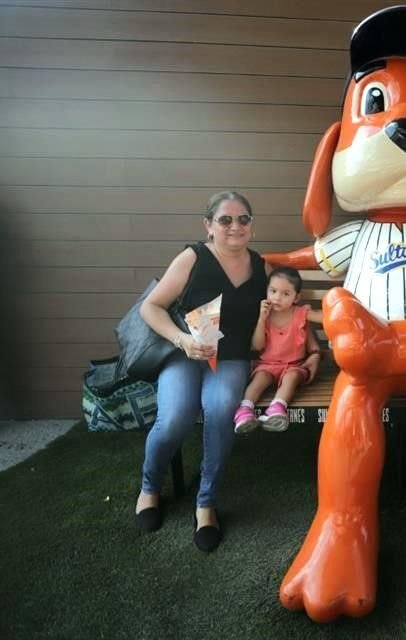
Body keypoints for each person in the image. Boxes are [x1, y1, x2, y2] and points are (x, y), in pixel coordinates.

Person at [134, 190, 268, 552]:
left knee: (222, 409)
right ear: (208, 225)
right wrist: (182, 340)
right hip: (186, 353)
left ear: (251, 227)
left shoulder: (261, 266)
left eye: (243, 219)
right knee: (176, 417)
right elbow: (152, 307)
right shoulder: (193, 257)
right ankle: (149, 487)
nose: (235, 226)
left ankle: (205, 503)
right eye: (225, 219)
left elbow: (276, 315)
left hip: (232, 357)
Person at [233, 267, 322, 433]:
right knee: (259, 379)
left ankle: (277, 408)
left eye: (285, 294)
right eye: (273, 291)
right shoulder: (263, 315)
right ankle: (244, 411)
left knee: (292, 377)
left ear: (297, 297)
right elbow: (257, 346)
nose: (277, 298)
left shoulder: (301, 313)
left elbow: (324, 317)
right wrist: (261, 319)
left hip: (294, 365)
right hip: (266, 365)